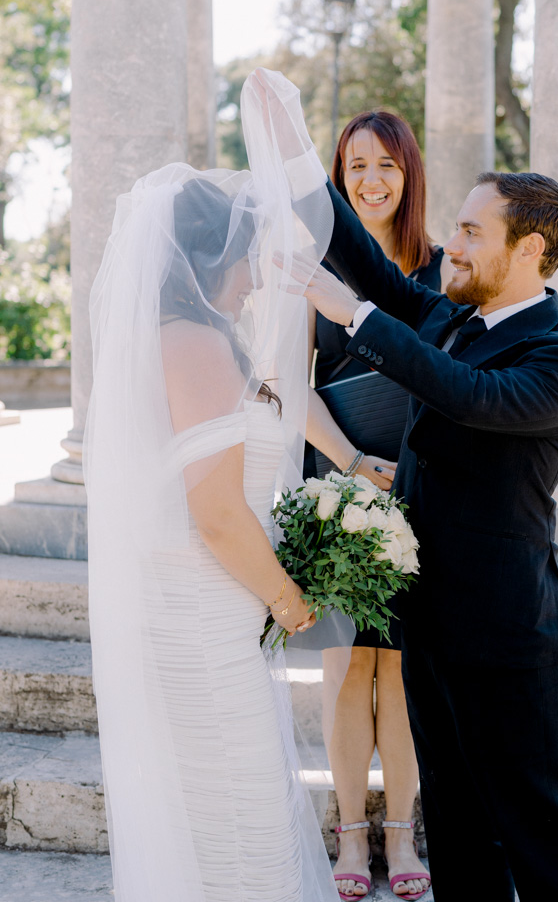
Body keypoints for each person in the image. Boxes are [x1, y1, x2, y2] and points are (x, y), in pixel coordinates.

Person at [253, 70, 558, 901]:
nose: (452, 245)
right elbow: (373, 268)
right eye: (455, 228)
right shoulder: (452, 315)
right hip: (429, 620)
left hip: (509, 632)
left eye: (473, 232)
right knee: (453, 825)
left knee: (537, 827)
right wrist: (301, 156)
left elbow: (470, 397)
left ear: (531, 251)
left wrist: (355, 318)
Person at [84, 72, 348, 902]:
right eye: (245, 253)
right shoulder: (191, 340)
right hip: (201, 613)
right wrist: (288, 600)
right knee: (240, 821)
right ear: (209, 257)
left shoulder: (201, 337)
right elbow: (217, 512)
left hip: (213, 612)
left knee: (239, 810)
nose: (256, 273)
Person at [308, 111, 449, 902]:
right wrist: (353, 463)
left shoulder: (437, 274)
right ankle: (350, 836)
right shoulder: (315, 267)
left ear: (409, 173)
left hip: (418, 494)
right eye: (355, 165)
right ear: (338, 174)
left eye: (386, 164)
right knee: (344, 668)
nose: (370, 180)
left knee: (399, 674)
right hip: (335, 490)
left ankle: (403, 833)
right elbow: (285, 387)